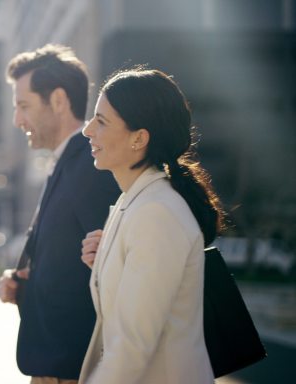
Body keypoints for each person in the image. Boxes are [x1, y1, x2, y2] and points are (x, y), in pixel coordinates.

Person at [78, 68, 224, 384]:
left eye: (101, 121)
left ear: (139, 138)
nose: (87, 130)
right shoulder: (135, 201)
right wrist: (105, 263)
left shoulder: (156, 212)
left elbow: (132, 346)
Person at [0, 44, 120, 383]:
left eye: (23, 106)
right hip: (58, 366)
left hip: (74, 369)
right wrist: (27, 283)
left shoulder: (90, 167)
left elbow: (113, 272)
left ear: (59, 101)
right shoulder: (67, 164)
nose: (17, 120)